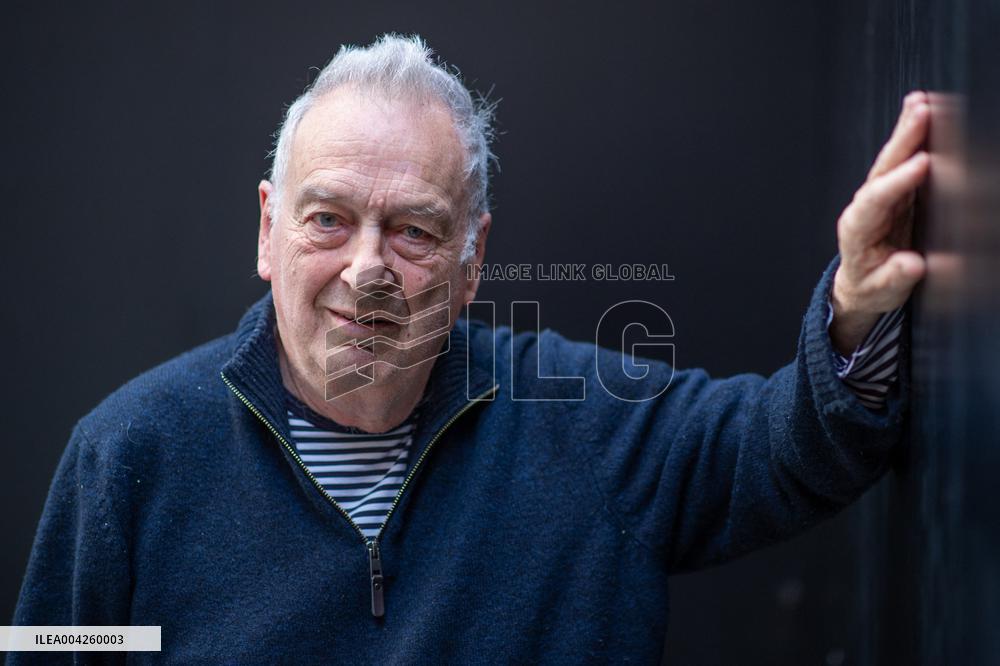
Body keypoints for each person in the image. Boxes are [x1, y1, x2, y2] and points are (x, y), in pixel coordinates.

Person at [9, 34, 930, 663]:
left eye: (412, 230)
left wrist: (855, 306)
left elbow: (788, 446)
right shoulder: (127, 456)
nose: (367, 267)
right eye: (328, 218)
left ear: (470, 260)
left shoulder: (589, 427)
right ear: (266, 229)